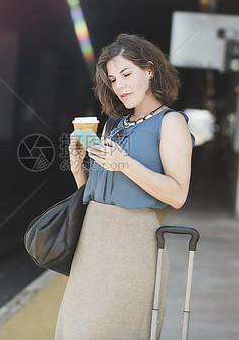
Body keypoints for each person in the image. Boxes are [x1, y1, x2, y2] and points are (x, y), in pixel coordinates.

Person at [55, 33, 194, 340]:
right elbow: (95, 193)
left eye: (127, 74)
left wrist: (125, 164)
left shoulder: (171, 123)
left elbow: (177, 194)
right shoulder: (113, 125)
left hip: (131, 246)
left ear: (150, 70)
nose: (119, 86)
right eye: (113, 79)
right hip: (91, 242)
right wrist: (79, 168)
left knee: (105, 331)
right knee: (73, 331)